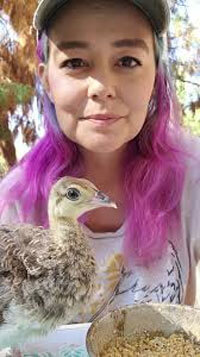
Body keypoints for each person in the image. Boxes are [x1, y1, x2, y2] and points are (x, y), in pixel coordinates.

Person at [0, 0, 200, 352]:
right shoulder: (12, 202)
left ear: (155, 74)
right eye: (76, 62)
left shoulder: (191, 177)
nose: (101, 86)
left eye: (127, 61)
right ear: (46, 78)